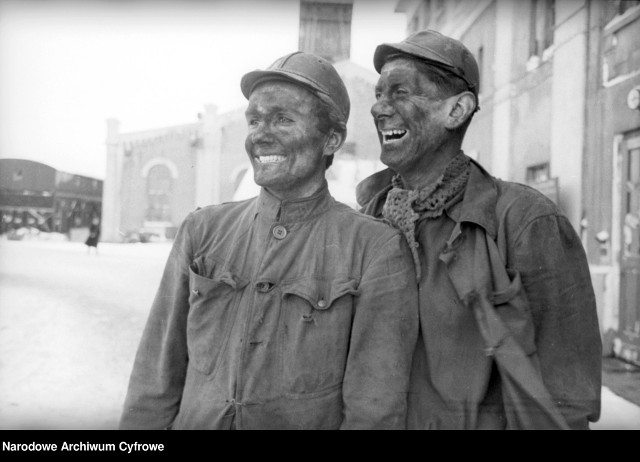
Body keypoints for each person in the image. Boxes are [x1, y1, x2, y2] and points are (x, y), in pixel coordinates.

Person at [119, 51, 419, 430]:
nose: (260, 135)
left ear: (331, 139)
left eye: (282, 119)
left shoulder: (375, 249)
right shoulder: (203, 231)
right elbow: (154, 380)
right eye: (254, 120)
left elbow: (374, 411)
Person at [356, 30, 602, 430]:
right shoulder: (367, 218)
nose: (379, 109)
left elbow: (566, 401)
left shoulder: (526, 222)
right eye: (379, 94)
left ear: (456, 111)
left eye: (400, 92)